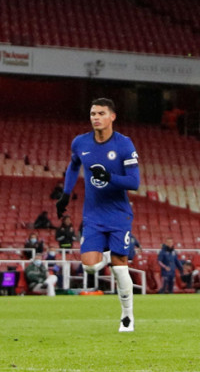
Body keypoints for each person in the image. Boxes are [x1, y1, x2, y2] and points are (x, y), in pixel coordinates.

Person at [55, 98, 140, 332]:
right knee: (90, 266)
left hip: (118, 214)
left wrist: (109, 178)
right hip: (92, 215)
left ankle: (127, 317)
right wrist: (65, 194)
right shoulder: (80, 142)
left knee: (121, 267)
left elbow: (135, 182)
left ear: (112, 117)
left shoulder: (124, 144)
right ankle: (110, 256)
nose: (95, 117)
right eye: (93, 113)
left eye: (101, 113)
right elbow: (73, 166)